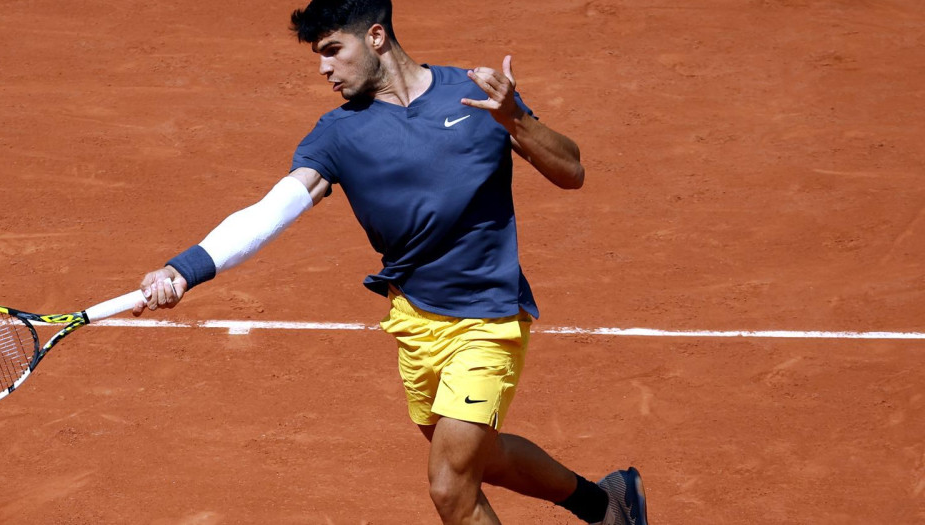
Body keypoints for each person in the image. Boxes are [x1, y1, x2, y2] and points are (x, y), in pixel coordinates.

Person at [131, 1, 648, 523]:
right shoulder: (337, 134)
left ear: (376, 37)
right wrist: (184, 269)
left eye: (333, 50)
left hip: (489, 317)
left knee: (450, 487)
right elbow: (268, 213)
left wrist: (514, 118)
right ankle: (606, 503)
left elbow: (572, 170)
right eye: (318, 55)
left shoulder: (474, 95)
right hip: (416, 321)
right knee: (481, 458)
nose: (323, 68)